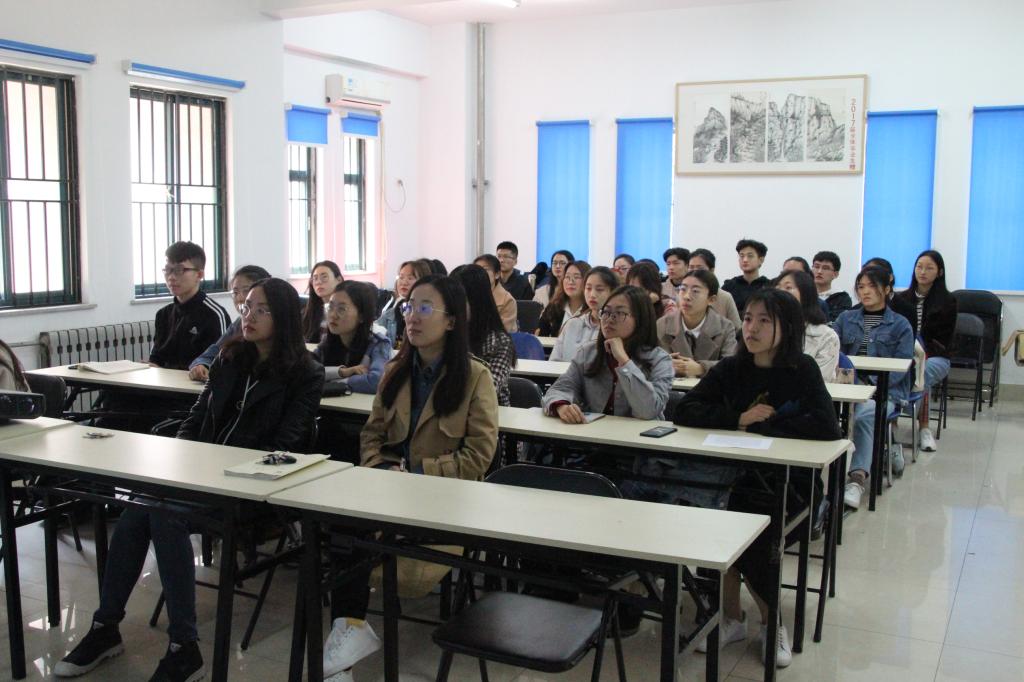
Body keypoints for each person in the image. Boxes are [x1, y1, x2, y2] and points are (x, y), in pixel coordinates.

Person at [55, 278, 323, 681]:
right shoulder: (230, 359)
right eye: (246, 307)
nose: (248, 316)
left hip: (254, 490)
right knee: (138, 509)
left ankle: (184, 647)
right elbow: (195, 419)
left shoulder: (305, 373)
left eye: (261, 310)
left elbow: (286, 445)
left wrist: (212, 469)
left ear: (283, 317)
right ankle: (105, 627)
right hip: (200, 477)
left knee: (165, 516)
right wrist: (182, 462)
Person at [321, 275, 498, 679]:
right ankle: (347, 636)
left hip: (442, 502)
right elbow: (371, 434)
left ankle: (345, 639)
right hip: (388, 493)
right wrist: (381, 468)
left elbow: (478, 456)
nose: (412, 317)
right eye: (408, 307)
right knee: (337, 521)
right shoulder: (395, 371)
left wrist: (416, 473)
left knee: (352, 536)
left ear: (451, 321)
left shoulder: (475, 377)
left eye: (424, 308)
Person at [671, 288, 842, 669]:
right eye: (748, 318)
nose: (751, 328)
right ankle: (730, 618)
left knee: (756, 533)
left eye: (765, 320)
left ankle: (770, 621)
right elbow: (686, 409)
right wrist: (737, 419)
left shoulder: (802, 369)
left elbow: (827, 426)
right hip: (733, 477)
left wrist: (766, 426)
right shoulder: (732, 368)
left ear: (788, 327)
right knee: (719, 513)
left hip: (791, 483)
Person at [99, 241, 229, 432]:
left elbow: (220, 364)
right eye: (167, 270)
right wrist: (149, 366)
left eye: (180, 270)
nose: (171, 277)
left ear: (199, 275)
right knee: (113, 396)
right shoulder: (164, 314)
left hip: (189, 396)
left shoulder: (214, 314)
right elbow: (156, 359)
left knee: (136, 418)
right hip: (160, 388)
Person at [834, 267, 915, 509]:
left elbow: (900, 369)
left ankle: (857, 478)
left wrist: (871, 388)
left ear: (887, 290)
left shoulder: (900, 325)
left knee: (865, 415)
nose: (865, 292)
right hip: (849, 387)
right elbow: (833, 353)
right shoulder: (845, 319)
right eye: (861, 287)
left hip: (885, 392)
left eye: (872, 286)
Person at [543, 285, 673, 421]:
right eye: (606, 312)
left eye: (620, 313)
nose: (610, 319)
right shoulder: (588, 352)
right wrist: (561, 405)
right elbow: (560, 389)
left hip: (640, 434)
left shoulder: (660, 359)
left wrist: (624, 361)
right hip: (593, 432)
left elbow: (648, 411)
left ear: (641, 319)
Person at [893, 250, 957, 452]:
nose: (922, 271)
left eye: (929, 268)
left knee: (923, 371)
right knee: (899, 371)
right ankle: (894, 424)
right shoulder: (901, 299)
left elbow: (943, 339)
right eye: (919, 266)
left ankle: (923, 428)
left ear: (939, 272)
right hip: (906, 354)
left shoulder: (948, 301)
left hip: (935, 356)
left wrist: (920, 353)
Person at [188, 264, 272, 381]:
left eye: (246, 290)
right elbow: (211, 354)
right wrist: (201, 365)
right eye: (235, 292)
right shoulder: (239, 323)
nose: (240, 298)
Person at [451, 264, 517, 406]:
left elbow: (487, 390)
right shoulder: (445, 332)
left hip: (489, 414)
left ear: (476, 300)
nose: (452, 305)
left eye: (459, 299)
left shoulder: (499, 342)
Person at [657, 269, 737, 378]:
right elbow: (649, 362)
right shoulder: (662, 324)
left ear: (711, 299)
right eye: (683, 289)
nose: (686, 296)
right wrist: (664, 365)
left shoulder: (725, 327)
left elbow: (731, 366)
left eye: (695, 291)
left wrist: (701, 368)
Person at [316, 280, 391, 394]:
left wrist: (333, 383)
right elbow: (306, 372)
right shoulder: (327, 342)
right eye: (330, 307)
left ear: (362, 316)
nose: (333, 315)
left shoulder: (378, 344)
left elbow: (376, 381)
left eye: (341, 309)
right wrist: (342, 372)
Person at [774, 269, 840, 381]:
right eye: (778, 287)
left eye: (788, 287)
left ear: (806, 295)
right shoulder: (765, 330)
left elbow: (819, 381)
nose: (779, 293)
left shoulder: (826, 336)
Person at [550, 266, 617, 362]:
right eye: (588, 288)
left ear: (613, 292)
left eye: (599, 289)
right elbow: (554, 361)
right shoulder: (572, 324)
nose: (592, 295)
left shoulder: (616, 328)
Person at [376, 259, 433, 349]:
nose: (404, 282)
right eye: (401, 277)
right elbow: (376, 329)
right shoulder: (397, 308)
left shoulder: (428, 310)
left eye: (410, 278)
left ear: (423, 282)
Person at [688, 247, 742, 328]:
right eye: (691, 267)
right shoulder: (683, 295)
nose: (694, 272)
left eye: (700, 268)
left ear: (712, 270)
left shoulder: (725, 297)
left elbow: (737, 328)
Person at [536, 260, 590, 336]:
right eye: (567, 277)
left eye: (576, 277)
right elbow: (541, 334)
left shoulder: (592, 309)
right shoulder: (554, 306)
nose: (571, 282)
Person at [301, 260, 344, 344]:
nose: (318, 282)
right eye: (315, 278)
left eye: (324, 277)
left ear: (339, 280)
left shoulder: (347, 311)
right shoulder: (307, 312)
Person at [722, 238, 769, 313]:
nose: (745, 260)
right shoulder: (729, 286)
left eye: (750, 256)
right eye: (741, 256)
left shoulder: (769, 286)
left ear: (761, 260)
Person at [474, 253, 518, 332]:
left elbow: (501, 332)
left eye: (485, 270)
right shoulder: (469, 294)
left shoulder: (507, 300)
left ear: (497, 274)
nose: (479, 273)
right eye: (476, 270)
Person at [812, 251, 852, 322]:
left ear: (835, 274)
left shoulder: (842, 298)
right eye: (816, 267)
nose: (819, 271)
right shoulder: (802, 294)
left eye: (825, 268)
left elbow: (837, 323)